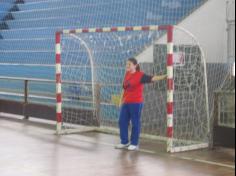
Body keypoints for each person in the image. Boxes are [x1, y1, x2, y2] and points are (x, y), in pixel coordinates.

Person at [115, 58, 167, 151]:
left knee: (135, 122)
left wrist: (165, 76)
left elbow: (152, 78)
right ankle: (124, 141)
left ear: (135, 65)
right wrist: (120, 100)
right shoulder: (126, 74)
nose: (127, 66)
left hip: (136, 103)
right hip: (126, 102)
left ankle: (134, 143)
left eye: (129, 64)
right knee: (122, 121)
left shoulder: (140, 75)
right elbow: (124, 88)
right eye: (127, 64)